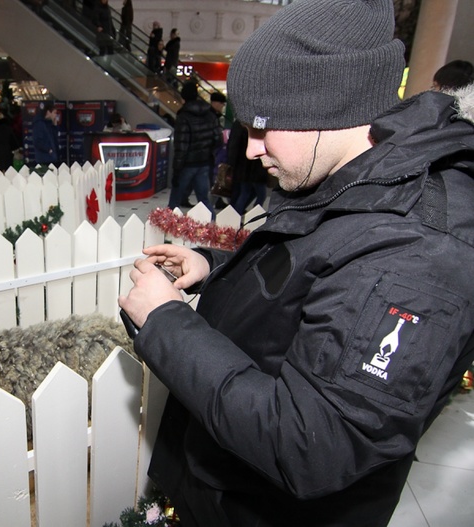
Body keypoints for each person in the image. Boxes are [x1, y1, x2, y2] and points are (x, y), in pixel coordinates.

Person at [118, 0, 474, 525]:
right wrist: (214, 265)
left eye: (264, 126)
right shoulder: (355, 176)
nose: (250, 150)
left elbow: (312, 445)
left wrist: (164, 321)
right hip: (227, 486)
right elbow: (317, 267)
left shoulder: (417, 250)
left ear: (327, 107)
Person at [166, 81, 222, 212]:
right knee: (204, 199)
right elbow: (218, 139)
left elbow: (181, 145)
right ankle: (211, 221)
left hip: (187, 164)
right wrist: (208, 152)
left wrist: (176, 170)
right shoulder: (210, 114)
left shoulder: (183, 116)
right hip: (204, 162)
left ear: (183, 97)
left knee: (175, 199)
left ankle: (169, 222)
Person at [227, 119, 269, 214]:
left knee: (245, 192)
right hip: (253, 169)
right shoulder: (254, 128)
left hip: (244, 167)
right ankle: (247, 213)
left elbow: (233, 145)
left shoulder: (241, 126)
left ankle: (237, 213)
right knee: (258, 194)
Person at [31, 102, 60, 167]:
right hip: (44, 159)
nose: (55, 115)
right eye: (54, 113)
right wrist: (48, 149)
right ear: (48, 112)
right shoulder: (39, 124)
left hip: (52, 158)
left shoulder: (49, 124)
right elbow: (37, 141)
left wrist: (55, 126)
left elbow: (54, 138)